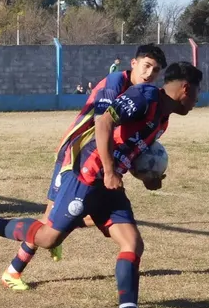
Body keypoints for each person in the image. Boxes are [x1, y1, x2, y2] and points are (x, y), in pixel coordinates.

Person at [0, 62, 202, 308]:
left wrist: (146, 177)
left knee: (132, 243)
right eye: (196, 94)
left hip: (110, 185)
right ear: (185, 88)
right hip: (88, 176)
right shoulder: (145, 96)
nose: (196, 101)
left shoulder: (162, 119)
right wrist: (108, 170)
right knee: (49, 237)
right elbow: (104, 121)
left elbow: (128, 148)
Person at [36, 43, 167, 272]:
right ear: (134, 63)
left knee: (60, 219)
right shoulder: (116, 81)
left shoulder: (145, 95)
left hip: (98, 161)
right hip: (76, 153)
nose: (149, 74)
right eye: (146, 66)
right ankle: (14, 267)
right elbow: (102, 122)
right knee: (48, 221)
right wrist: (109, 169)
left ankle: (60, 229)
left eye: (155, 70)